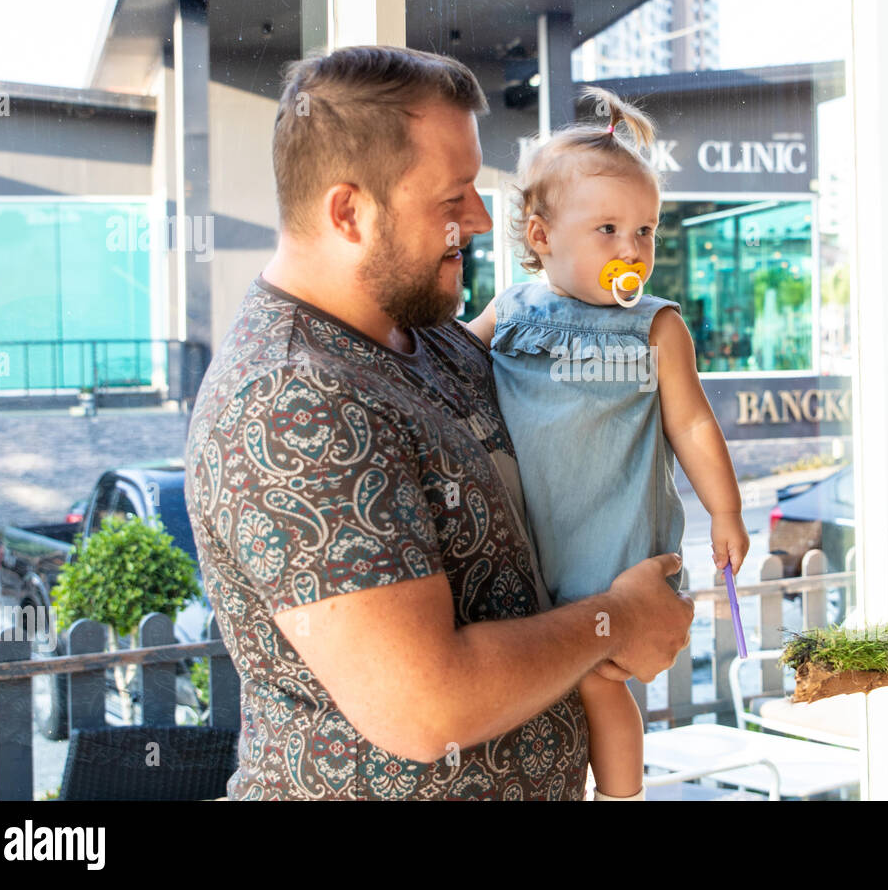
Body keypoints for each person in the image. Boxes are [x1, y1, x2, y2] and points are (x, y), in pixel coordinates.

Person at [183, 45, 693, 800]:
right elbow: (427, 704)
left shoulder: (431, 339)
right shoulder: (291, 401)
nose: (485, 221)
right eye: (453, 199)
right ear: (348, 212)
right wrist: (615, 620)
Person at [466, 88, 750, 800]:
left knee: (598, 678)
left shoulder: (656, 327)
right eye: (609, 231)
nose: (633, 250)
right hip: (527, 543)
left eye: (646, 231)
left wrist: (726, 512)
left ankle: (622, 797)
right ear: (540, 237)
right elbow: (451, 365)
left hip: (611, 549)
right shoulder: (510, 309)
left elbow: (692, 425)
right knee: (528, 665)